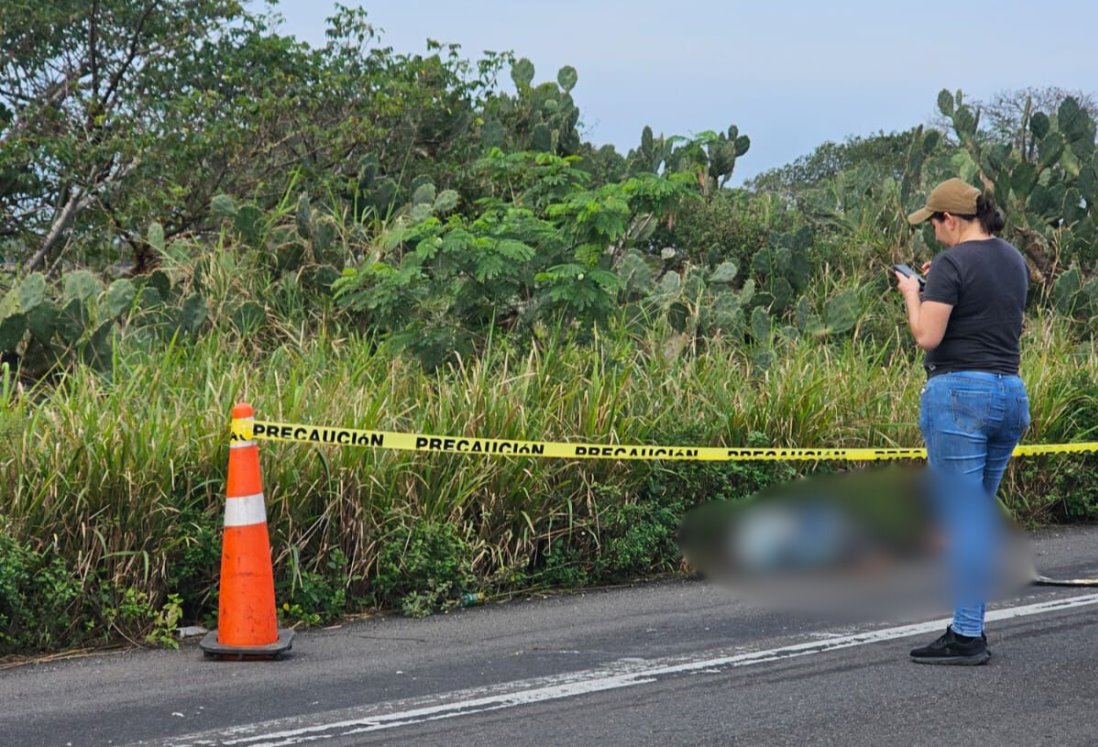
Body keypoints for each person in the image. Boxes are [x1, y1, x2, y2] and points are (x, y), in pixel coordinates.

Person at [895, 177, 1031, 665]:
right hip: (1010, 392)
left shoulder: (953, 262)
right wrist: (941, 284)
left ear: (949, 219)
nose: (932, 231)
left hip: (959, 397)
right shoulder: (1013, 259)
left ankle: (968, 638)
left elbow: (927, 336)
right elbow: (986, 312)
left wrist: (914, 292)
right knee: (977, 514)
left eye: (933, 222)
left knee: (963, 517)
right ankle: (966, 627)